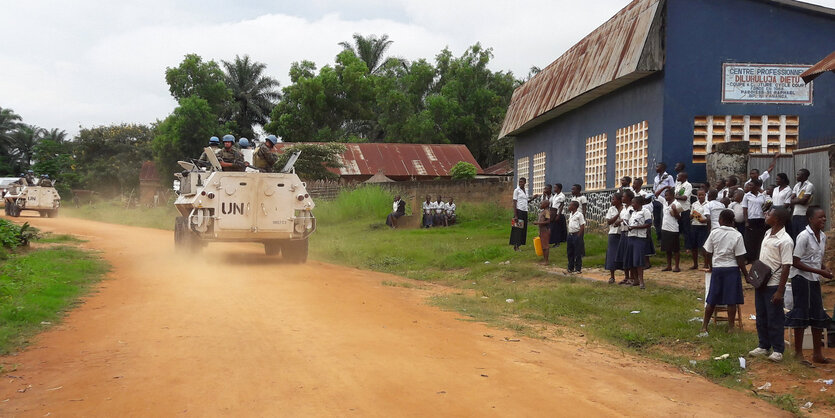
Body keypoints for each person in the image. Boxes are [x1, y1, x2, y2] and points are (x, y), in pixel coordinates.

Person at [785, 206, 833, 365]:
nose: (823, 220)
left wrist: (824, 270)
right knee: (801, 313)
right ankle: (798, 354)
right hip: (801, 278)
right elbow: (796, 262)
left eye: (824, 217)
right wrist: (819, 271)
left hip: (814, 278)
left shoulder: (823, 236)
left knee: (817, 313)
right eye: (820, 217)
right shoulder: (803, 236)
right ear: (810, 219)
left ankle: (817, 354)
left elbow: (818, 259)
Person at [749, 207, 793, 362]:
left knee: (774, 317)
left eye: (770, 214)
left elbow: (786, 266)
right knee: (761, 315)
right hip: (761, 283)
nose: (766, 215)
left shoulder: (785, 240)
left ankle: (778, 349)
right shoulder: (767, 233)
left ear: (778, 219)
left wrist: (780, 291)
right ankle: (763, 345)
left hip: (774, 285)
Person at [700, 209, 748, 336]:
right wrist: (746, 274)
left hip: (718, 268)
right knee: (731, 300)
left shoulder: (714, 233)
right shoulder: (737, 235)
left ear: (720, 220)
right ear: (733, 221)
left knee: (712, 298)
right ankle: (731, 327)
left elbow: (707, 252)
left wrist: (710, 265)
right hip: (732, 269)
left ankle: (704, 326)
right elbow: (740, 258)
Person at [626, 196, 652, 289]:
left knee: (639, 259)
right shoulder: (633, 213)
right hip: (631, 237)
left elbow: (648, 224)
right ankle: (635, 279)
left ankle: (641, 281)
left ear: (639, 203)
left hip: (640, 237)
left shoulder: (645, 211)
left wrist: (635, 227)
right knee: (632, 259)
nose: (632, 205)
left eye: (634, 203)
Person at [742, 179, 768, 264]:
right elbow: (745, 209)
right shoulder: (746, 196)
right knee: (749, 239)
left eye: (751, 185)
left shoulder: (762, 196)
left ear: (757, 187)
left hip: (760, 219)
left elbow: (765, 207)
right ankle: (749, 258)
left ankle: (757, 258)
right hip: (751, 219)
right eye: (748, 185)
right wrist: (746, 221)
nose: (749, 187)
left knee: (759, 239)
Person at [633, 177, 655, 268]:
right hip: (635, 221)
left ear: (639, 184)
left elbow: (649, 207)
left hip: (644, 222)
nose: (633, 185)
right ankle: (639, 261)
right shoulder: (633, 193)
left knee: (646, 242)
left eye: (635, 184)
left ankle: (647, 262)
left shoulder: (645, 194)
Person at [660, 189, 682, 272]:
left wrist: (675, 210)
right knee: (667, 249)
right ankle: (668, 265)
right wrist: (665, 186)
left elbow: (679, 218)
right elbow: (656, 194)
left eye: (667, 195)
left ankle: (677, 266)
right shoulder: (665, 203)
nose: (666, 197)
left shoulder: (677, 204)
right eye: (665, 195)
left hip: (673, 229)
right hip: (665, 228)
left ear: (672, 195)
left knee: (675, 249)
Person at [789, 168, 814, 241]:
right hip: (795, 214)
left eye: (798, 175)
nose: (796, 176)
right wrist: (799, 200)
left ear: (804, 176)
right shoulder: (797, 185)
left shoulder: (809, 185)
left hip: (803, 214)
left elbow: (804, 201)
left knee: (803, 235)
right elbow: (791, 199)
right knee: (795, 235)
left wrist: (797, 200)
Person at [653, 162, 675, 242]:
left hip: (665, 200)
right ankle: (659, 237)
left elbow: (672, 188)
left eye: (657, 166)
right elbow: (654, 189)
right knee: (657, 219)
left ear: (662, 168)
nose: (656, 168)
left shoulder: (669, 177)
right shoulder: (656, 178)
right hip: (657, 200)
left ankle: (664, 237)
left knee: (663, 218)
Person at [688, 189, 710, 270]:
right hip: (694, 225)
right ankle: (695, 264)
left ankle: (706, 263)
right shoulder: (694, 204)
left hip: (704, 226)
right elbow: (691, 215)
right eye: (699, 195)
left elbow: (709, 217)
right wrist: (693, 215)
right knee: (694, 246)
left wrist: (703, 220)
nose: (700, 196)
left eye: (702, 195)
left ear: (705, 195)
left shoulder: (708, 204)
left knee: (704, 246)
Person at [604, 192, 623, 283]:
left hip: (623, 233)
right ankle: (612, 276)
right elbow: (609, 221)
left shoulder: (626, 208)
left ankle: (627, 276)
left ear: (619, 200)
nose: (612, 201)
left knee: (623, 254)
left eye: (613, 199)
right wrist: (618, 214)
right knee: (611, 255)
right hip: (613, 234)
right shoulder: (611, 209)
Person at [617, 190, 635, 286]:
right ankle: (626, 277)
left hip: (630, 233)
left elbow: (632, 220)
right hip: (623, 233)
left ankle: (632, 277)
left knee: (630, 256)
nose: (622, 198)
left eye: (624, 197)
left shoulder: (631, 209)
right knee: (624, 256)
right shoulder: (623, 209)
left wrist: (621, 220)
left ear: (629, 198)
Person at [674, 172, 692, 249]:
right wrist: (676, 196)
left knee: (686, 229)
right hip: (678, 209)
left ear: (683, 177)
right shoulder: (678, 185)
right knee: (677, 228)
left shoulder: (688, 185)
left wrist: (675, 197)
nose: (677, 177)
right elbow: (677, 195)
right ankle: (677, 246)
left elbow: (684, 198)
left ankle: (687, 247)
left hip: (685, 209)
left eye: (679, 176)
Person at [566, 200, 585, 274]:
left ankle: (578, 268)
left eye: (570, 205)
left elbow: (582, 225)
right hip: (570, 234)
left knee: (577, 252)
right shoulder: (571, 214)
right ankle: (570, 267)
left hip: (576, 234)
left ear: (574, 207)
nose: (569, 207)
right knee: (570, 252)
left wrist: (579, 235)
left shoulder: (579, 215)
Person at [510, 177, 528, 250]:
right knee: (517, 228)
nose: (520, 183)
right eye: (519, 182)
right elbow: (514, 202)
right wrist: (516, 215)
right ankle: (515, 245)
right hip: (519, 211)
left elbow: (526, 201)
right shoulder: (516, 190)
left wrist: (534, 198)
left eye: (522, 182)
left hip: (525, 211)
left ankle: (520, 244)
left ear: (525, 183)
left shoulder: (526, 190)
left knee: (523, 228)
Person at [532, 200, 551, 265]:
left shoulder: (547, 212)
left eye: (541, 203)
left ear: (545, 205)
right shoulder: (543, 211)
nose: (540, 204)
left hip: (545, 230)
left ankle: (546, 261)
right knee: (543, 245)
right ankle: (544, 259)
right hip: (542, 230)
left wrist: (538, 223)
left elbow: (548, 221)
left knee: (545, 246)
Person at [549, 183, 567, 248]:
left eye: (555, 188)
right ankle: (555, 241)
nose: (554, 189)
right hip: (554, 213)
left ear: (559, 188)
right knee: (553, 228)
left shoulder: (562, 196)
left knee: (557, 229)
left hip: (559, 214)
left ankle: (557, 242)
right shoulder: (555, 195)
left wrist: (558, 215)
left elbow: (561, 206)